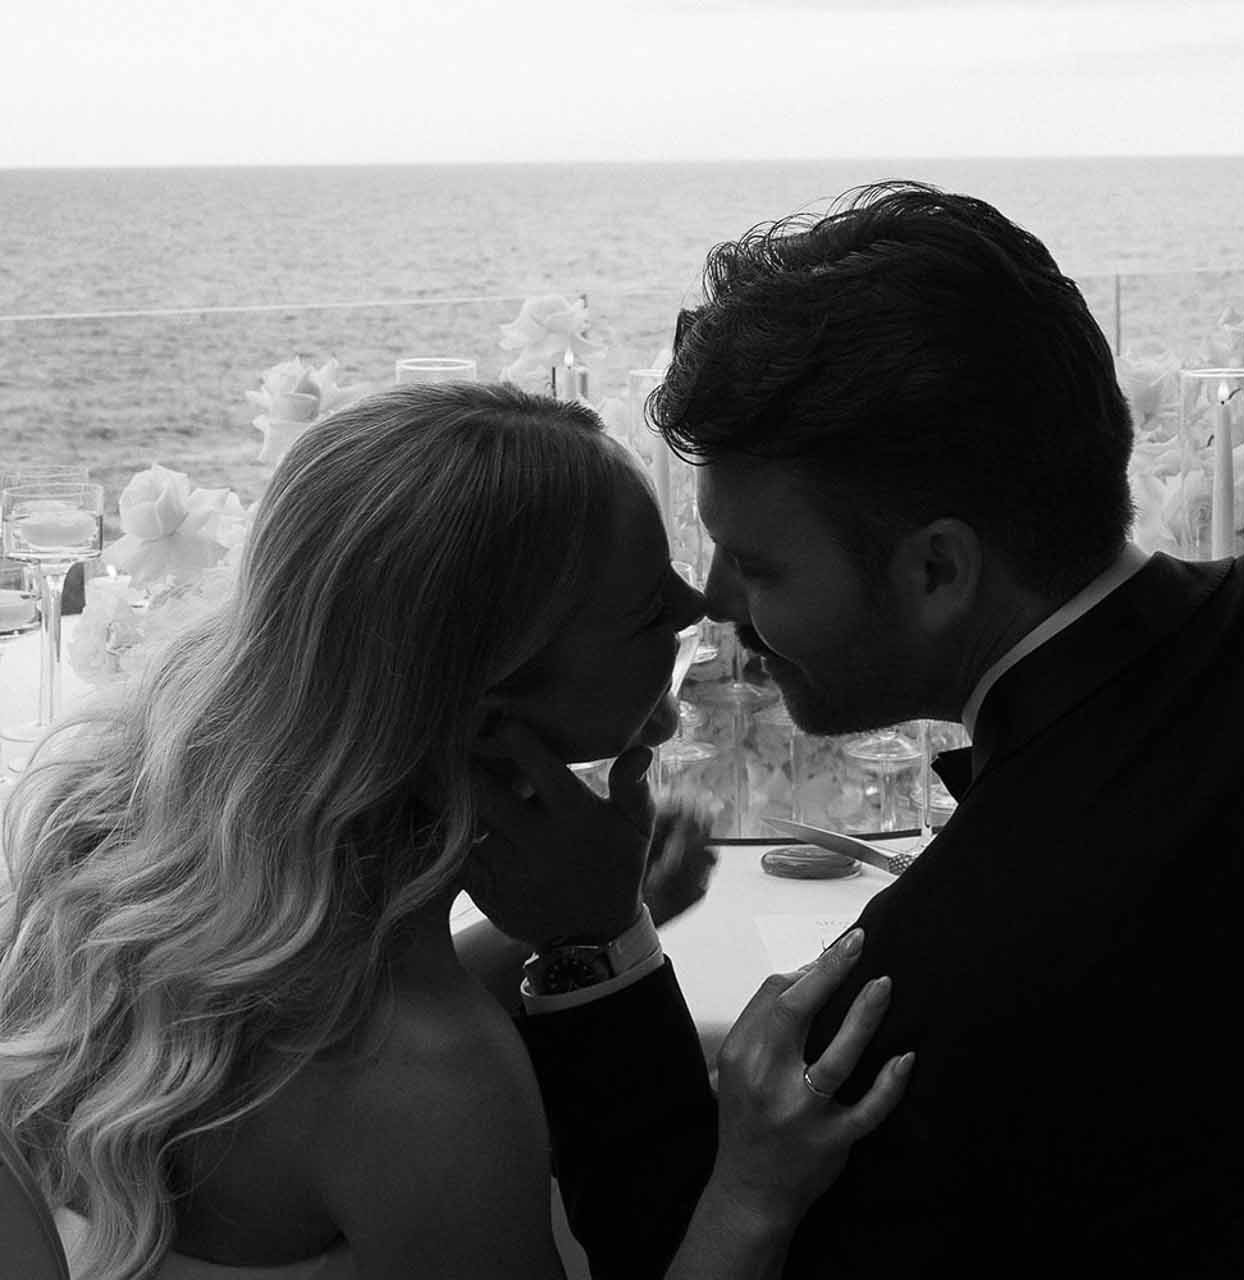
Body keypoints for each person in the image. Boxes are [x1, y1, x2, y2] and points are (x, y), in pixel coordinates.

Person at [478, 183, 1244, 1279]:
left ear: (937, 569)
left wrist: (592, 946)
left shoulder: (908, 1003)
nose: (713, 601)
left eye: (757, 565)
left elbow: (675, 1248)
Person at [0, 383, 913, 1280]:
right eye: (644, 608)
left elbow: (333, 1015)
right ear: (485, 715)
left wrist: (578, 931)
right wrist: (753, 1191)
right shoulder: (434, 1085)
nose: (697, 608)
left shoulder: (152, 869)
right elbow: (388, 1053)